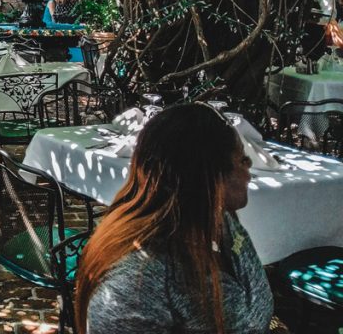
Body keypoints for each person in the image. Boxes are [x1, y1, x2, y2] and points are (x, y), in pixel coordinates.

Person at [75, 103, 272, 334]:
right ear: (207, 176)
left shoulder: (220, 221)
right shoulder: (137, 285)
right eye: (243, 161)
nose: (249, 172)